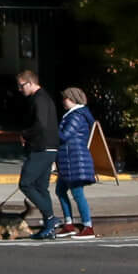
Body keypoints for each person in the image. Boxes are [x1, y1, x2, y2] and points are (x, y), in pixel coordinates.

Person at [15, 68, 64, 239]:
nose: (20, 89)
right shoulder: (43, 98)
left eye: (21, 86)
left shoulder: (39, 99)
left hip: (41, 148)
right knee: (41, 187)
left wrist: (24, 134)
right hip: (48, 148)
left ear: (30, 82)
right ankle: (49, 227)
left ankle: (50, 218)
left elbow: (41, 124)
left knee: (26, 183)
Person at [54, 87, 97, 239]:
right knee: (60, 191)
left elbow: (64, 136)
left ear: (72, 99)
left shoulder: (76, 116)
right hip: (69, 159)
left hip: (75, 160)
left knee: (78, 194)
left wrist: (49, 129)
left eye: (65, 98)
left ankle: (88, 226)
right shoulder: (72, 115)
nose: (63, 101)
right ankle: (69, 223)